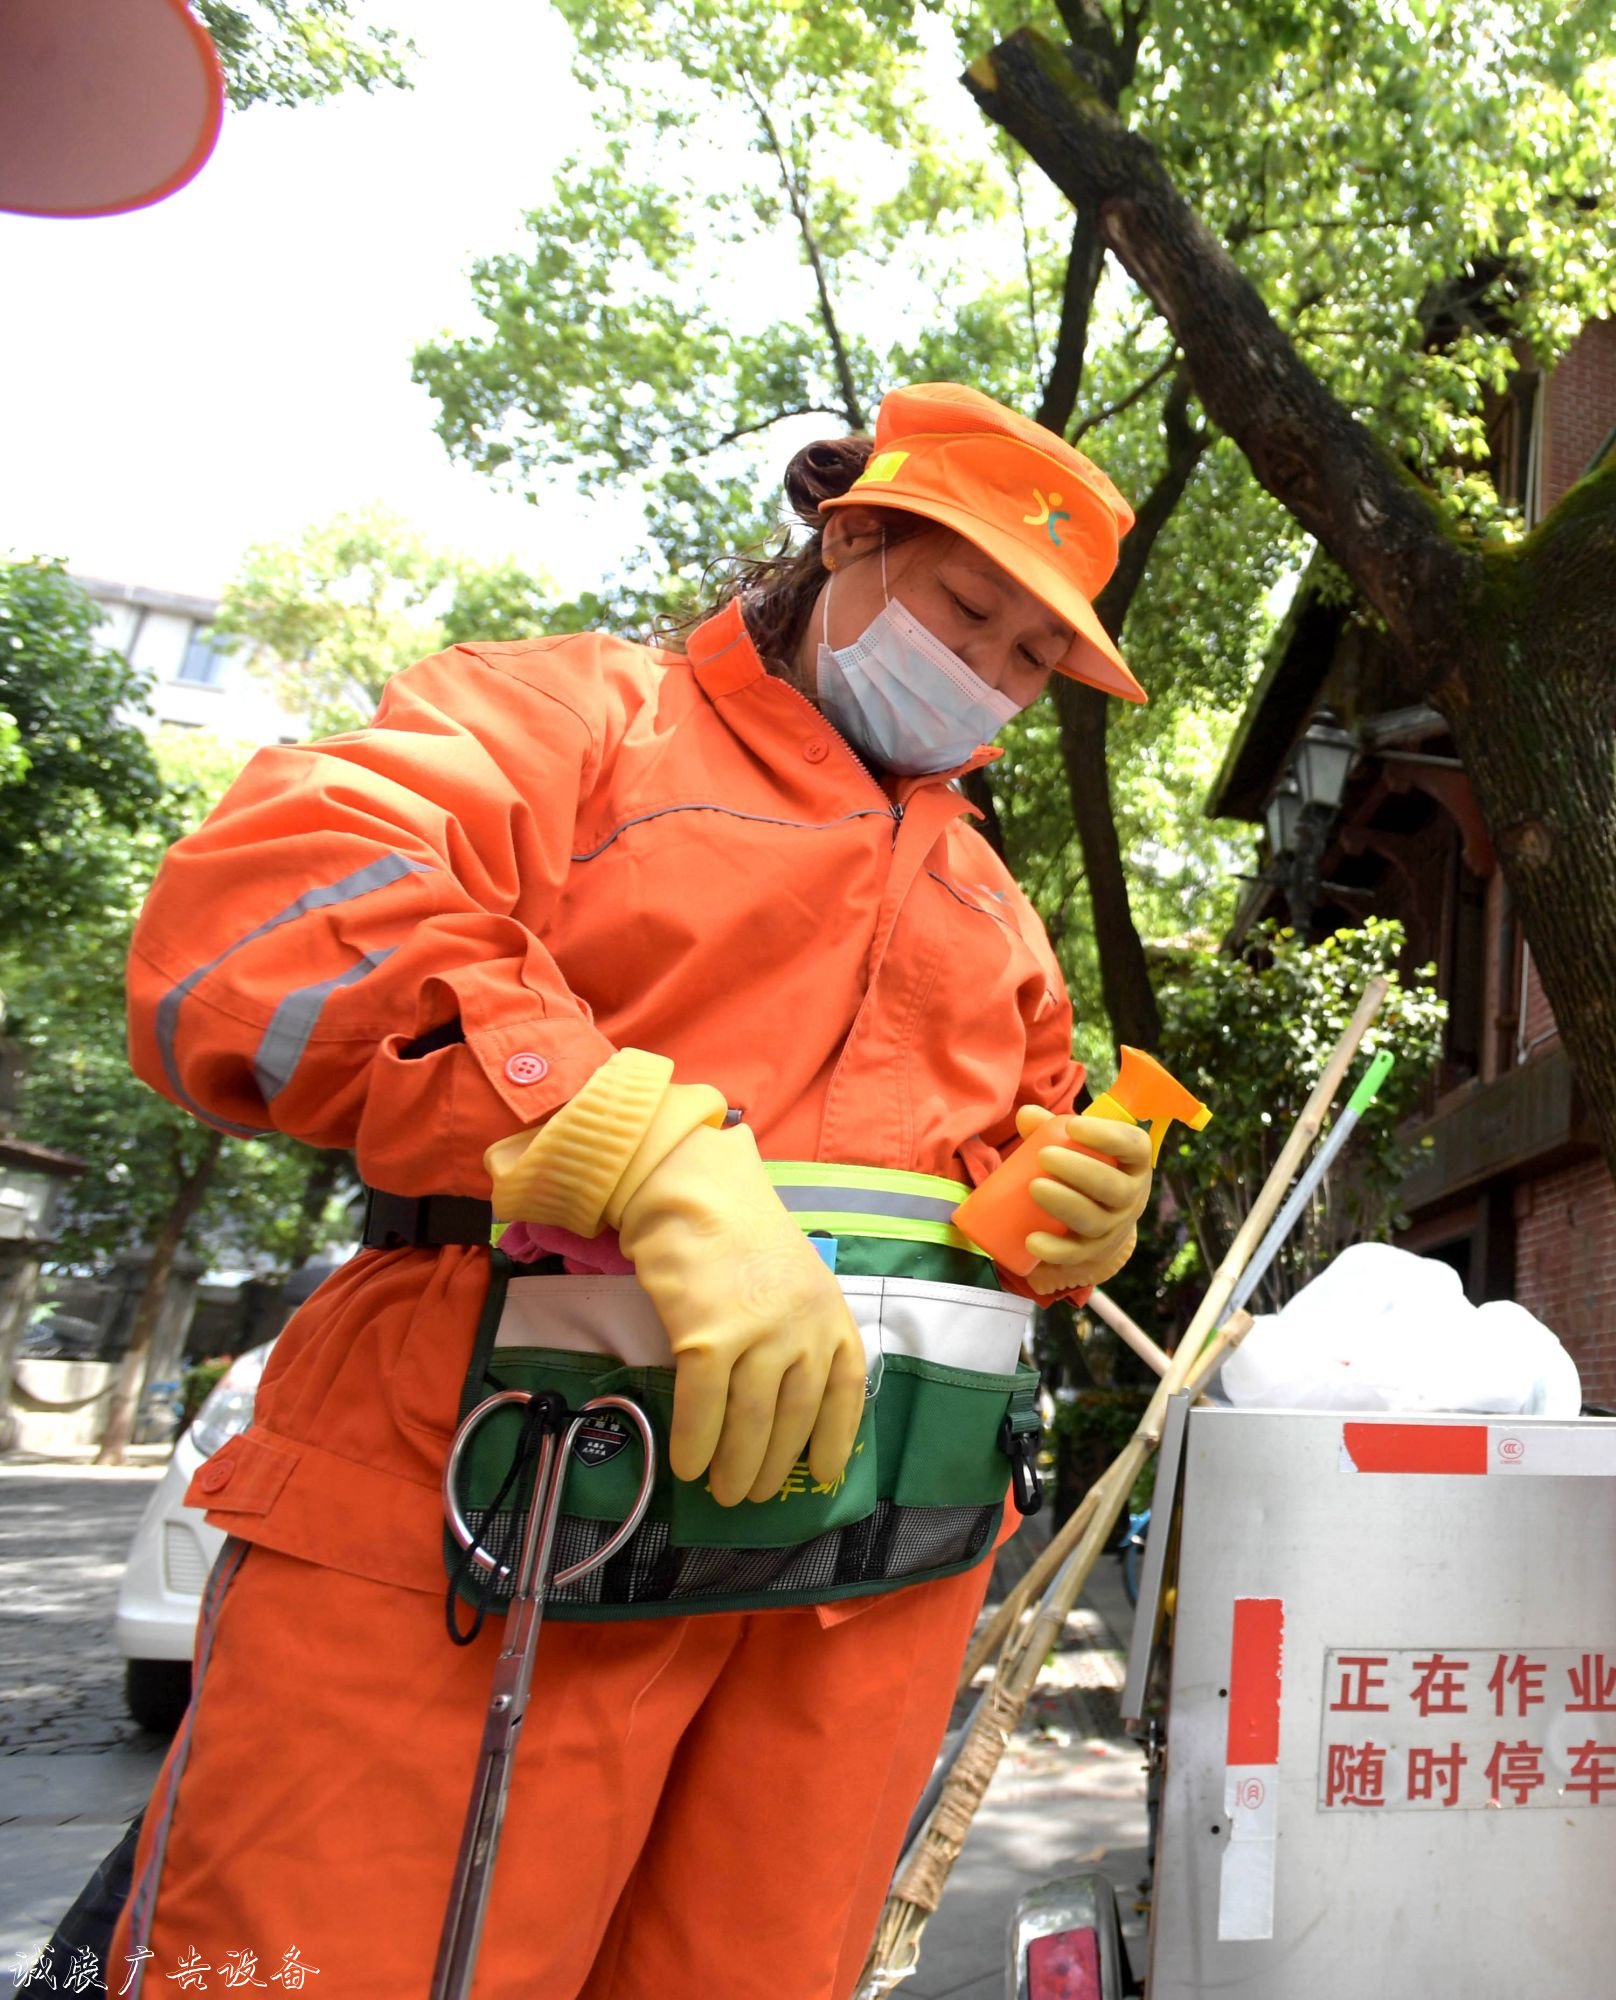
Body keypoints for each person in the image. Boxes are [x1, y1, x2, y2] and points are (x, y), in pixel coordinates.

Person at [115, 382, 1160, 1994]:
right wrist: (623, 1138)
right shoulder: (580, 720)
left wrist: (1065, 1219)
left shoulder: (992, 907)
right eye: (970, 611)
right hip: (487, 1521)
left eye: (1037, 659)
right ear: (850, 537)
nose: (994, 676)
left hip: (866, 1592)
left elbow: (1012, 1163)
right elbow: (258, 917)